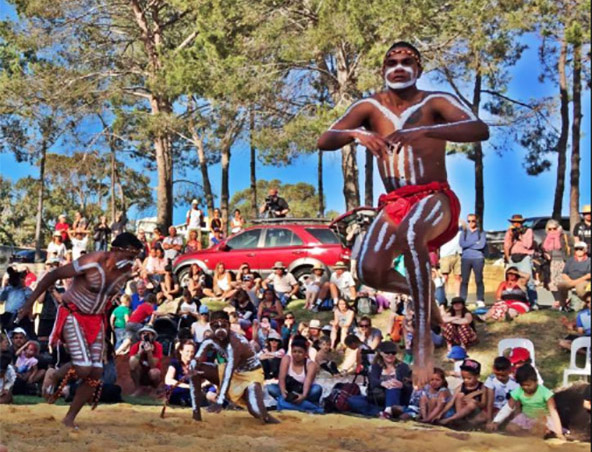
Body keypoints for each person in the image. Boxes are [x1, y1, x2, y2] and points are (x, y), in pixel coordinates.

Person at [317, 41, 489, 386]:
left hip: (433, 196)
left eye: (407, 61)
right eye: (391, 61)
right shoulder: (370, 106)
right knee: (368, 270)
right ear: (383, 70)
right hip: (395, 201)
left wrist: (426, 129)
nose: (398, 66)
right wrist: (356, 134)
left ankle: (424, 343)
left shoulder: (434, 102)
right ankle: (423, 297)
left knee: (413, 234)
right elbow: (325, 139)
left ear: (418, 69)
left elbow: (478, 129)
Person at [16, 232, 144, 428]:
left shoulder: (126, 273)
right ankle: (56, 374)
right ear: (116, 250)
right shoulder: (92, 261)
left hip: (96, 320)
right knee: (84, 368)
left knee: (96, 374)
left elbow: (108, 300)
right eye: (130, 255)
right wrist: (28, 304)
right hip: (72, 314)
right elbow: (53, 275)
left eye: (135, 257)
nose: (132, 261)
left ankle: (69, 418)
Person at [191, 310, 279, 423]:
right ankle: (196, 414)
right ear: (211, 326)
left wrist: (220, 401)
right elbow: (197, 358)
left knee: (257, 411)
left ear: (229, 325)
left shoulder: (236, 342)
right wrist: (192, 367)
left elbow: (229, 370)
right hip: (229, 371)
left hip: (250, 375)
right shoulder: (210, 340)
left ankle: (269, 418)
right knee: (196, 369)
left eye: (223, 326)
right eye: (215, 326)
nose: (220, 330)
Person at [487, 364, 564, 440]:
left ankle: (541, 435)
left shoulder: (545, 393)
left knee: (542, 430)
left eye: (529, 385)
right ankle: (530, 438)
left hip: (542, 420)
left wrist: (559, 433)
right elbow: (508, 407)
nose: (526, 388)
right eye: (523, 385)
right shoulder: (518, 391)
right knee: (510, 428)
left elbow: (553, 412)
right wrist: (496, 421)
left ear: (536, 381)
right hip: (526, 418)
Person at [347, 341, 412, 417]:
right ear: (381, 353)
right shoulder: (376, 366)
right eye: (387, 352)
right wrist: (382, 383)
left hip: (397, 398)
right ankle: (381, 412)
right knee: (353, 400)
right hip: (378, 398)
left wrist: (402, 385)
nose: (390, 355)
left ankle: (389, 411)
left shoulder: (403, 367)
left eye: (393, 353)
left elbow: (411, 387)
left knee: (392, 387)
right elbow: (372, 381)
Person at [267, 335, 322, 413]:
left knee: (317, 389)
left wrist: (303, 396)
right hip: (289, 391)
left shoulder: (311, 364)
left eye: (300, 352)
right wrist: (283, 393)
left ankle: (286, 404)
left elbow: (308, 382)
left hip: (305, 390)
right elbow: (281, 378)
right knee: (270, 388)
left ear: (305, 353)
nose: (297, 354)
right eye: (294, 351)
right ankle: (309, 407)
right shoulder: (286, 359)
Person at [439, 358, 487, 426]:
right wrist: (441, 413)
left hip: (474, 413)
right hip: (460, 410)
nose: (466, 380)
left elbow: (483, 404)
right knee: (459, 395)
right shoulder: (461, 386)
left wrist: (475, 402)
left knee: (472, 404)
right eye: (463, 378)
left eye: (469, 378)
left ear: (477, 376)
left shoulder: (482, 387)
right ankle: (459, 419)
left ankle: (452, 419)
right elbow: (451, 402)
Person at [504, 214, 537, 307]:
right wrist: (507, 258)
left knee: (529, 280)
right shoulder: (509, 232)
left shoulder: (528, 231)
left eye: (518, 222)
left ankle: (533, 303)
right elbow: (506, 245)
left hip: (524, 256)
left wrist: (520, 235)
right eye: (514, 222)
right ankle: (516, 301)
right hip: (513, 257)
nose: (516, 224)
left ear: (522, 223)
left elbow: (528, 245)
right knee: (511, 280)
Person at [459, 214, 487, 304]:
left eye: (473, 221)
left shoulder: (481, 233)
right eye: (469, 221)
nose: (471, 223)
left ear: (477, 221)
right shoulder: (464, 232)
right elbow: (462, 244)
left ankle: (480, 299)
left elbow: (481, 245)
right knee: (464, 280)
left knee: (478, 279)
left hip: (478, 258)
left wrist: (469, 244)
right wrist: (475, 242)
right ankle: (462, 300)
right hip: (465, 258)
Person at [542, 219, 570, 306]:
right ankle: (557, 301)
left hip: (562, 261)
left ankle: (564, 301)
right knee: (552, 282)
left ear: (558, 228)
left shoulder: (564, 236)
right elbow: (543, 249)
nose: (552, 231)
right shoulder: (546, 238)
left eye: (554, 228)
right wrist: (545, 254)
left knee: (562, 282)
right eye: (549, 229)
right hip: (551, 262)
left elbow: (569, 248)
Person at [484, 356, 520, 425]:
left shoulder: (515, 383)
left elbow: (517, 404)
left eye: (503, 375)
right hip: (495, 407)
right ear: (493, 369)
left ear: (509, 371)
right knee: (478, 419)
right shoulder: (491, 380)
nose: (500, 377)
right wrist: (489, 420)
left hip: (508, 409)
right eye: (497, 374)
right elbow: (490, 402)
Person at [129, 326, 163, 396]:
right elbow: (132, 366)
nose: (146, 336)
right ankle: (138, 388)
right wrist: (139, 352)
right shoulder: (136, 346)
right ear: (140, 336)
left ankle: (154, 389)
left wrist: (149, 353)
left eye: (149, 334)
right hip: (141, 373)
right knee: (134, 368)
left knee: (154, 372)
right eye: (144, 333)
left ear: (153, 336)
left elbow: (153, 366)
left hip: (152, 372)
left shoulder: (157, 346)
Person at [1, 266, 33, 336]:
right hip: (9, 315)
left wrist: (23, 286)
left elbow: (31, 298)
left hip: (21, 315)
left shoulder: (26, 290)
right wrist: (4, 285)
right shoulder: (8, 289)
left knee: (21, 334)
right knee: (8, 334)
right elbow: (1, 298)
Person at [557, 241, 591, 311]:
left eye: (581, 249)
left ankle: (586, 304)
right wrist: (569, 280)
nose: (578, 251)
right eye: (576, 249)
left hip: (584, 281)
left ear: (585, 250)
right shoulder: (570, 260)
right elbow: (564, 273)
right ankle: (563, 306)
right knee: (561, 285)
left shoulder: (589, 261)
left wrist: (574, 282)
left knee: (580, 289)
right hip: (571, 280)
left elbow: (588, 275)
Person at [165, 340, 197, 406]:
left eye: (192, 351)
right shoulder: (175, 363)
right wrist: (188, 386)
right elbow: (168, 380)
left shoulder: (195, 365)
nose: (190, 354)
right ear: (181, 351)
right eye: (187, 351)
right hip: (177, 390)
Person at [559, 286, 590, 350]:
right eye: (588, 302)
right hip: (587, 339)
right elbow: (581, 333)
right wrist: (569, 325)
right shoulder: (581, 315)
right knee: (563, 342)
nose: (589, 304)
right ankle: (587, 354)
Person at [439, 227, 462, 298]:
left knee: (458, 277)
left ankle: (457, 297)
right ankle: (443, 297)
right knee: (445, 277)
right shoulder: (444, 222)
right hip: (446, 254)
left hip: (458, 253)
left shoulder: (461, 224)